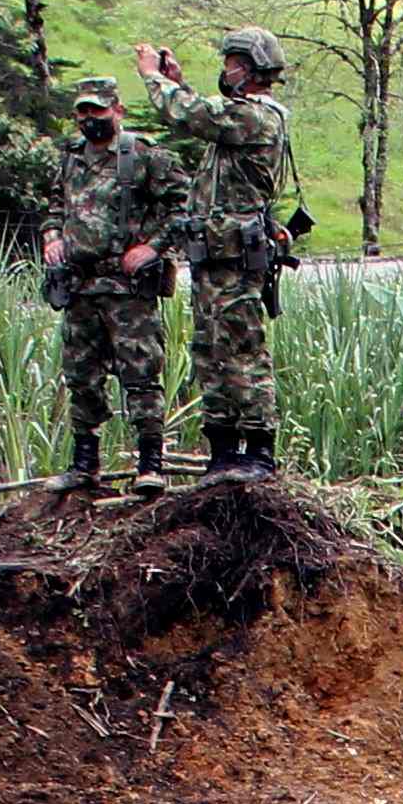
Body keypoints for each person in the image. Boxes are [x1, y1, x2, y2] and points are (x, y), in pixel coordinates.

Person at [141, 29, 298, 480]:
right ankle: (224, 450)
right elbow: (204, 112)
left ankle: (260, 451)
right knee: (209, 349)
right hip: (213, 258)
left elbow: (192, 114)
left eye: (231, 62)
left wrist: (156, 79)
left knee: (243, 349)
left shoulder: (257, 118)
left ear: (249, 68)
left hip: (234, 260)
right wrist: (179, 81)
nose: (226, 70)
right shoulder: (240, 116)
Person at [39, 82, 184, 498]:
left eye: (97, 112)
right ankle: (85, 465)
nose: (88, 120)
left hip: (127, 289)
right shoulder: (69, 159)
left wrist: (152, 247)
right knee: (81, 378)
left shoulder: (142, 155)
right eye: (82, 113)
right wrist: (52, 237)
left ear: (117, 110)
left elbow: (183, 206)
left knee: (141, 375)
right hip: (79, 286)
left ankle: (150, 464)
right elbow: (53, 207)